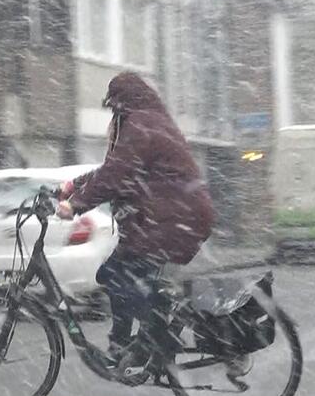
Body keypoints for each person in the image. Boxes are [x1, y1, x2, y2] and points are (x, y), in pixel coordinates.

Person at [56, 72, 215, 367]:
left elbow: (117, 174)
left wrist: (75, 206)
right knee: (115, 273)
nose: (112, 116)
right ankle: (126, 344)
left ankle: (152, 339)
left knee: (118, 275)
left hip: (173, 219)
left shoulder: (141, 125)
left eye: (114, 108)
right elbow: (114, 169)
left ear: (122, 104)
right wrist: (70, 187)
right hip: (172, 216)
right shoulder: (149, 120)